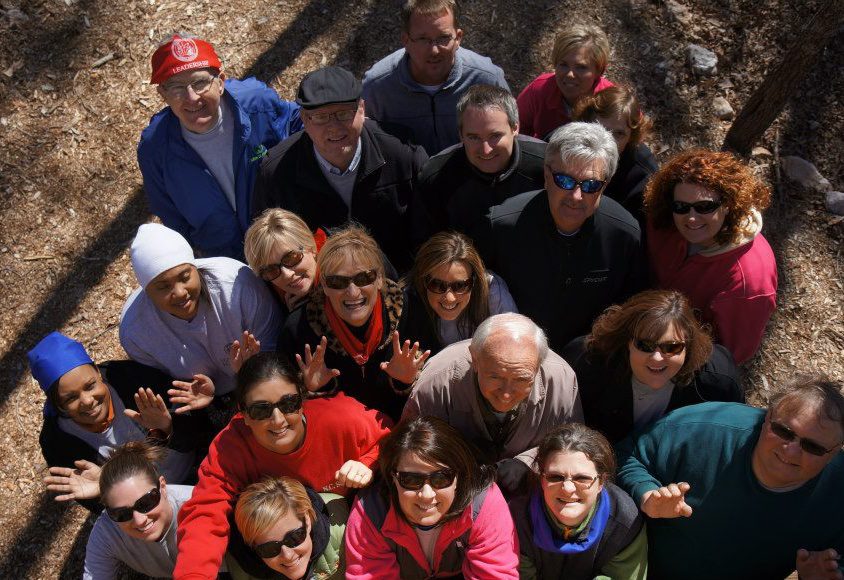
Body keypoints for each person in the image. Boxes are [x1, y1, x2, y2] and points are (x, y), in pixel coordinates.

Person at [173, 352, 392, 579]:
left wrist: (368, 463)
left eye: (289, 403)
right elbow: (205, 514)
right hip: (279, 555)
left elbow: (392, 439)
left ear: (302, 400)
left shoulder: (342, 418)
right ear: (244, 413)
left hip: (352, 542)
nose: (278, 420)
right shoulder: (230, 448)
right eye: (261, 410)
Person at [616, 375, 844, 579]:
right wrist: (646, 494)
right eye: (783, 431)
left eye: (812, 446)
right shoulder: (701, 429)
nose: (791, 451)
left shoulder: (838, 496)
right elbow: (625, 455)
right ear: (767, 417)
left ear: (834, 453)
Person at [477, 122, 646, 354]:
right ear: (546, 175)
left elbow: (630, 311)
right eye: (565, 181)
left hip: (589, 357)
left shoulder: (625, 235)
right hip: (512, 352)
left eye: (591, 185)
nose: (576, 196)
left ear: (605, 185)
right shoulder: (501, 226)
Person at [138, 34, 303, 260]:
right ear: (163, 94)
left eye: (200, 83)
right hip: (224, 260)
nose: (191, 97)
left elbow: (303, 126)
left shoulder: (257, 104)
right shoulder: (155, 148)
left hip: (285, 243)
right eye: (176, 87)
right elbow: (171, 217)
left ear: (221, 81)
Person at [251, 66, 427, 272]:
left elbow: (429, 232)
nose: (334, 127)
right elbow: (267, 249)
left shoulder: (402, 154)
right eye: (320, 117)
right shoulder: (277, 172)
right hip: (321, 286)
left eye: (343, 114)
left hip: (401, 281)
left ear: (362, 109)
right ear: (304, 119)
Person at [403, 313, 582, 493]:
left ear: (538, 365)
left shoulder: (562, 381)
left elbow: (572, 446)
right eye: (495, 377)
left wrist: (529, 462)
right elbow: (409, 448)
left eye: (521, 379)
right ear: (475, 359)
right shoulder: (437, 381)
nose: (506, 394)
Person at [279, 225, 435, 420]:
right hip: (341, 433)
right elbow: (287, 411)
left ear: (379, 279)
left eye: (363, 278)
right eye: (338, 282)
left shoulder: (411, 313)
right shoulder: (297, 330)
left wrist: (405, 382)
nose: (353, 292)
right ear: (324, 286)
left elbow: (434, 395)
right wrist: (313, 390)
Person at [120, 223, 281, 412]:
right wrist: (197, 393)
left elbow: (276, 345)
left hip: (265, 375)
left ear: (195, 268)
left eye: (185, 277)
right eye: (163, 287)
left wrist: (252, 371)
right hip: (202, 403)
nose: (180, 292)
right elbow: (165, 386)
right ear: (146, 291)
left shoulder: (238, 286)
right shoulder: (135, 332)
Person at [31, 332, 201, 512]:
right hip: (147, 509)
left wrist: (168, 428)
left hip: (197, 466)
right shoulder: (58, 443)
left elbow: (199, 425)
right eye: (71, 398)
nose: (87, 401)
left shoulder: (130, 379)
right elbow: (97, 502)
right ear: (56, 403)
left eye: (90, 386)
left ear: (98, 372)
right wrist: (106, 488)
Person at [643, 148, 778, 364]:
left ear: (728, 205)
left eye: (705, 207)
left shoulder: (749, 284)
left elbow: (730, 355)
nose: (691, 218)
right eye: (681, 206)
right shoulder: (664, 222)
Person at [345, 416, 519, 578]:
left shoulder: (482, 503)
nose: (427, 495)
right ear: (393, 478)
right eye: (411, 480)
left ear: (459, 477)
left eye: (441, 478)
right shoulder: (372, 511)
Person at [562, 290, 743, 443]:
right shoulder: (586, 364)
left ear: (688, 346)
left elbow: (732, 437)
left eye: (671, 347)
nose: (657, 358)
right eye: (645, 345)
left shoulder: (718, 381)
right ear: (627, 342)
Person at [361, 0, 510, 154]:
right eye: (423, 39)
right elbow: (366, 146)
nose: (434, 51)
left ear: (458, 38)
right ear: (406, 40)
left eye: (443, 38)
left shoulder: (487, 80)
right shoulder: (377, 88)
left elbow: (510, 137)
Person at [412, 84, 547, 245]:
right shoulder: (437, 176)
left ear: (515, 128)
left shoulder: (546, 164)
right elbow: (425, 245)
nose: (486, 150)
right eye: (474, 137)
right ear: (460, 134)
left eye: (495, 136)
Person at [508, 424, 647, 579]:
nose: (567, 488)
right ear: (542, 479)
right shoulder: (516, 519)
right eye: (555, 477)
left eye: (582, 478)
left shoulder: (625, 522)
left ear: (601, 482)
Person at [81, 442, 193, 579]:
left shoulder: (198, 507)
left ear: (163, 487)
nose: (139, 521)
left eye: (146, 503)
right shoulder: (108, 533)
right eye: (122, 513)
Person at [404, 232, 517, 351]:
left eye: (460, 286)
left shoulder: (492, 291)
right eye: (437, 285)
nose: (449, 298)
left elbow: (516, 345)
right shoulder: (408, 302)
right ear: (422, 281)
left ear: (475, 281)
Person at [226, 477, 347, 580]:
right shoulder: (243, 567)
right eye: (269, 548)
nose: (287, 556)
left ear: (307, 520)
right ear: (252, 547)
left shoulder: (342, 526)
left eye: (294, 537)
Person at [573, 85, 657, 227]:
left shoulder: (643, 177)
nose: (607, 140)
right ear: (586, 123)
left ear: (631, 137)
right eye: (600, 128)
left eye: (618, 134)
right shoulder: (566, 145)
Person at [517, 24, 615, 140]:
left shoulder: (612, 102)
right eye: (563, 65)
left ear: (599, 70)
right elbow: (515, 129)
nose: (570, 74)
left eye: (581, 67)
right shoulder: (539, 90)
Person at [244, 208, 327, 315]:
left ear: (311, 247)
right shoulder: (275, 300)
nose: (287, 274)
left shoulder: (345, 266)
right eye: (271, 270)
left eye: (291, 258)